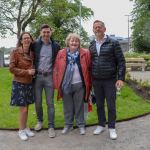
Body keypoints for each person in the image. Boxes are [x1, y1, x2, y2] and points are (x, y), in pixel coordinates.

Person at [89, 20, 126, 140]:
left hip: (110, 80)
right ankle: (101, 124)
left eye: (100, 27)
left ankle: (111, 127)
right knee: (99, 104)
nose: (97, 29)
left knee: (111, 105)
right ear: (93, 30)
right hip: (96, 80)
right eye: (95, 27)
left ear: (104, 29)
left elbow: (121, 61)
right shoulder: (91, 44)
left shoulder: (113, 42)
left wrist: (120, 78)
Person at [53, 33, 92, 135]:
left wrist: (90, 84)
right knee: (68, 107)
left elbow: (89, 69)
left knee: (79, 106)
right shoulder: (61, 53)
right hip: (66, 85)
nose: (74, 43)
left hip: (79, 84)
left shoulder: (85, 53)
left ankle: (81, 125)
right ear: (68, 42)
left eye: (76, 41)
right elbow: (56, 69)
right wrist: (57, 84)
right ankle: (68, 125)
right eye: (72, 41)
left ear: (79, 43)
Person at [33, 24, 60, 138]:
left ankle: (51, 126)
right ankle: (40, 121)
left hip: (49, 77)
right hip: (37, 77)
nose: (46, 34)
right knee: (38, 102)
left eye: (48, 32)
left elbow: (59, 60)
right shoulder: (34, 45)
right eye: (44, 32)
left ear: (51, 32)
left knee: (50, 103)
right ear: (40, 33)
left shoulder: (56, 46)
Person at [9, 32, 35, 141]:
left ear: (31, 40)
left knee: (27, 108)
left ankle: (25, 127)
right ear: (21, 40)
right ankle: (21, 130)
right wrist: (27, 72)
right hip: (19, 82)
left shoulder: (32, 53)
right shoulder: (15, 51)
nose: (26, 40)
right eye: (24, 38)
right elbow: (11, 68)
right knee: (23, 109)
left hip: (29, 83)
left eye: (28, 38)